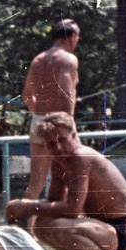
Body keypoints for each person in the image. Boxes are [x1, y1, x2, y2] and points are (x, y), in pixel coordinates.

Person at [4, 112, 126, 250]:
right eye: (51, 144)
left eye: (62, 140)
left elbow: (73, 209)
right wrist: (22, 208)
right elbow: (53, 203)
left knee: (55, 226)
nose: (58, 148)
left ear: (73, 136)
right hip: (102, 228)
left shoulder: (80, 157)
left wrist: (27, 206)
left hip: (123, 231)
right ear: (45, 145)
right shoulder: (59, 163)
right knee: (42, 224)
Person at [22, 20, 81, 200]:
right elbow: (66, 96)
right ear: (72, 38)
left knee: (36, 184)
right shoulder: (68, 59)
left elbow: (26, 96)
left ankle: (19, 223)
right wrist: (66, 127)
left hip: (38, 122)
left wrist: (40, 115)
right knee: (78, 177)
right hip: (60, 125)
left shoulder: (37, 60)